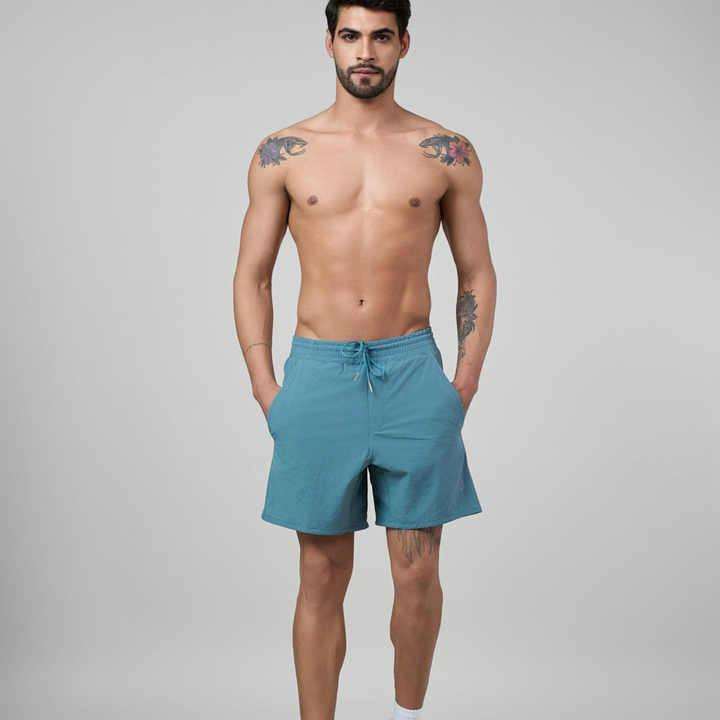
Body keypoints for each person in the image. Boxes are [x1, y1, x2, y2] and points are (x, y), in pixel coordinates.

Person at [233, 2, 496, 718]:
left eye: (381, 36)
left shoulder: (445, 151)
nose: (365, 51)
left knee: (417, 571)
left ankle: (408, 712)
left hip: (412, 370)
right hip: (318, 373)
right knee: (321, 572)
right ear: (330, 44)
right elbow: (253, 276)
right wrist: (266, 388)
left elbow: (475, 272)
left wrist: (463, 382)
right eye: (351, 36)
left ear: (404, 43)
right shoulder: (283, 152)